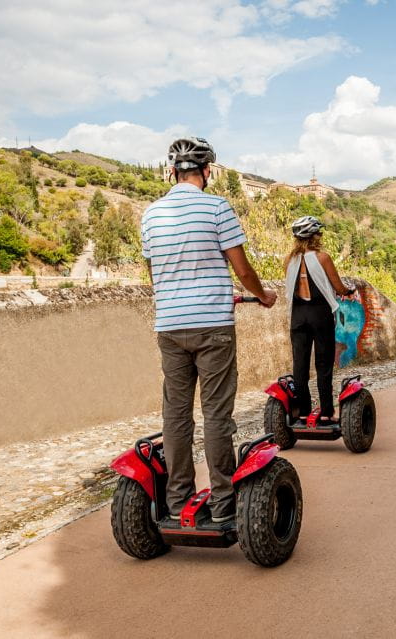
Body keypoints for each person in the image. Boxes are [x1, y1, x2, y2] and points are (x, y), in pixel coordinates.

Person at [141, 137, 277, 524]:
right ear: (207, 172)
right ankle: (222, 504)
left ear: (171, 172)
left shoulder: (150, 214)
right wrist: (262, 295)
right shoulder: (217, 207)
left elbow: (156, 274)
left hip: (169, 325)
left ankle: (176, 501)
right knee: (217, 414)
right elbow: (242, 268)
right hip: (213, 326)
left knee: (176, 414)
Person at [284, 215, 354, 422]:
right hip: (319, 313)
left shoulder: (289, 260)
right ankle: (326, 412)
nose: (321, 235)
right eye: (318, 232)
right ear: (314, 236)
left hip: (298, 314)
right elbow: (337, 286)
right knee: (323, 364)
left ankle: (303, 411)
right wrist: (348, 291)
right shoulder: (322, 257)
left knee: (300, 365)